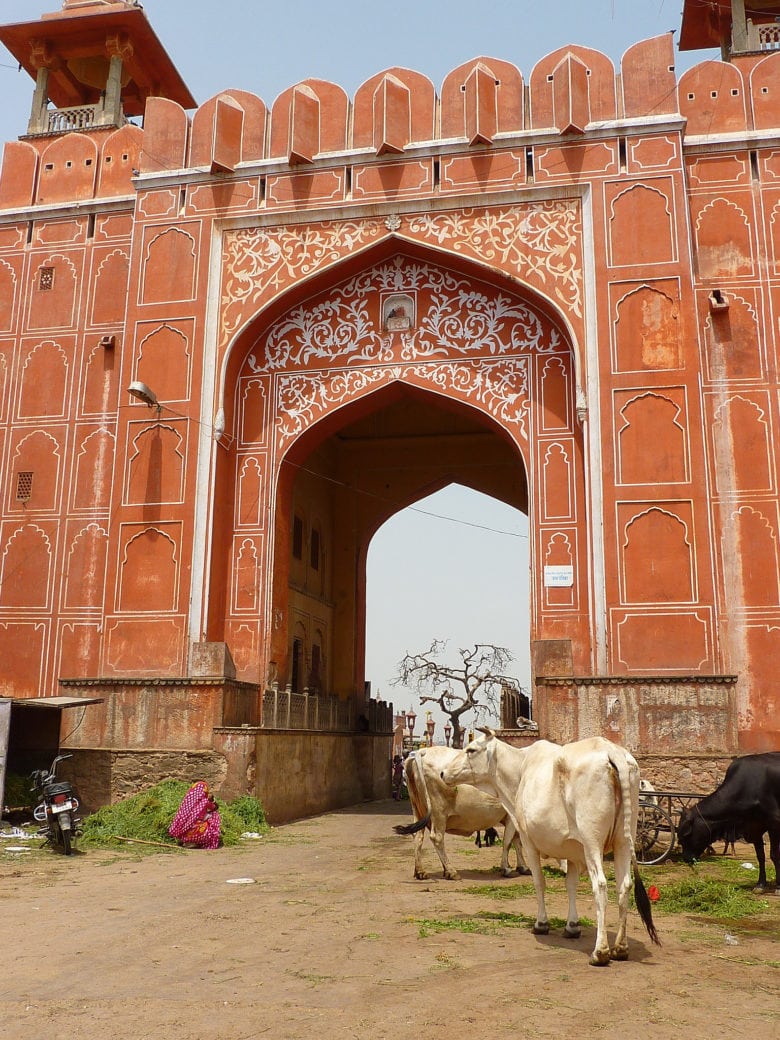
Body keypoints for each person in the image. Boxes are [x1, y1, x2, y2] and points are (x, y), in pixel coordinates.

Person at [169, 781, 221, 848]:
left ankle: (185, 840)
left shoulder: (187, 800)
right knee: (214, 815)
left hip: (181, 832)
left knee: (191, 822)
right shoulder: (205, 801)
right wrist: (212, 800)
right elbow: (215, 807)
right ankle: (195, 841)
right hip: (196, 832)